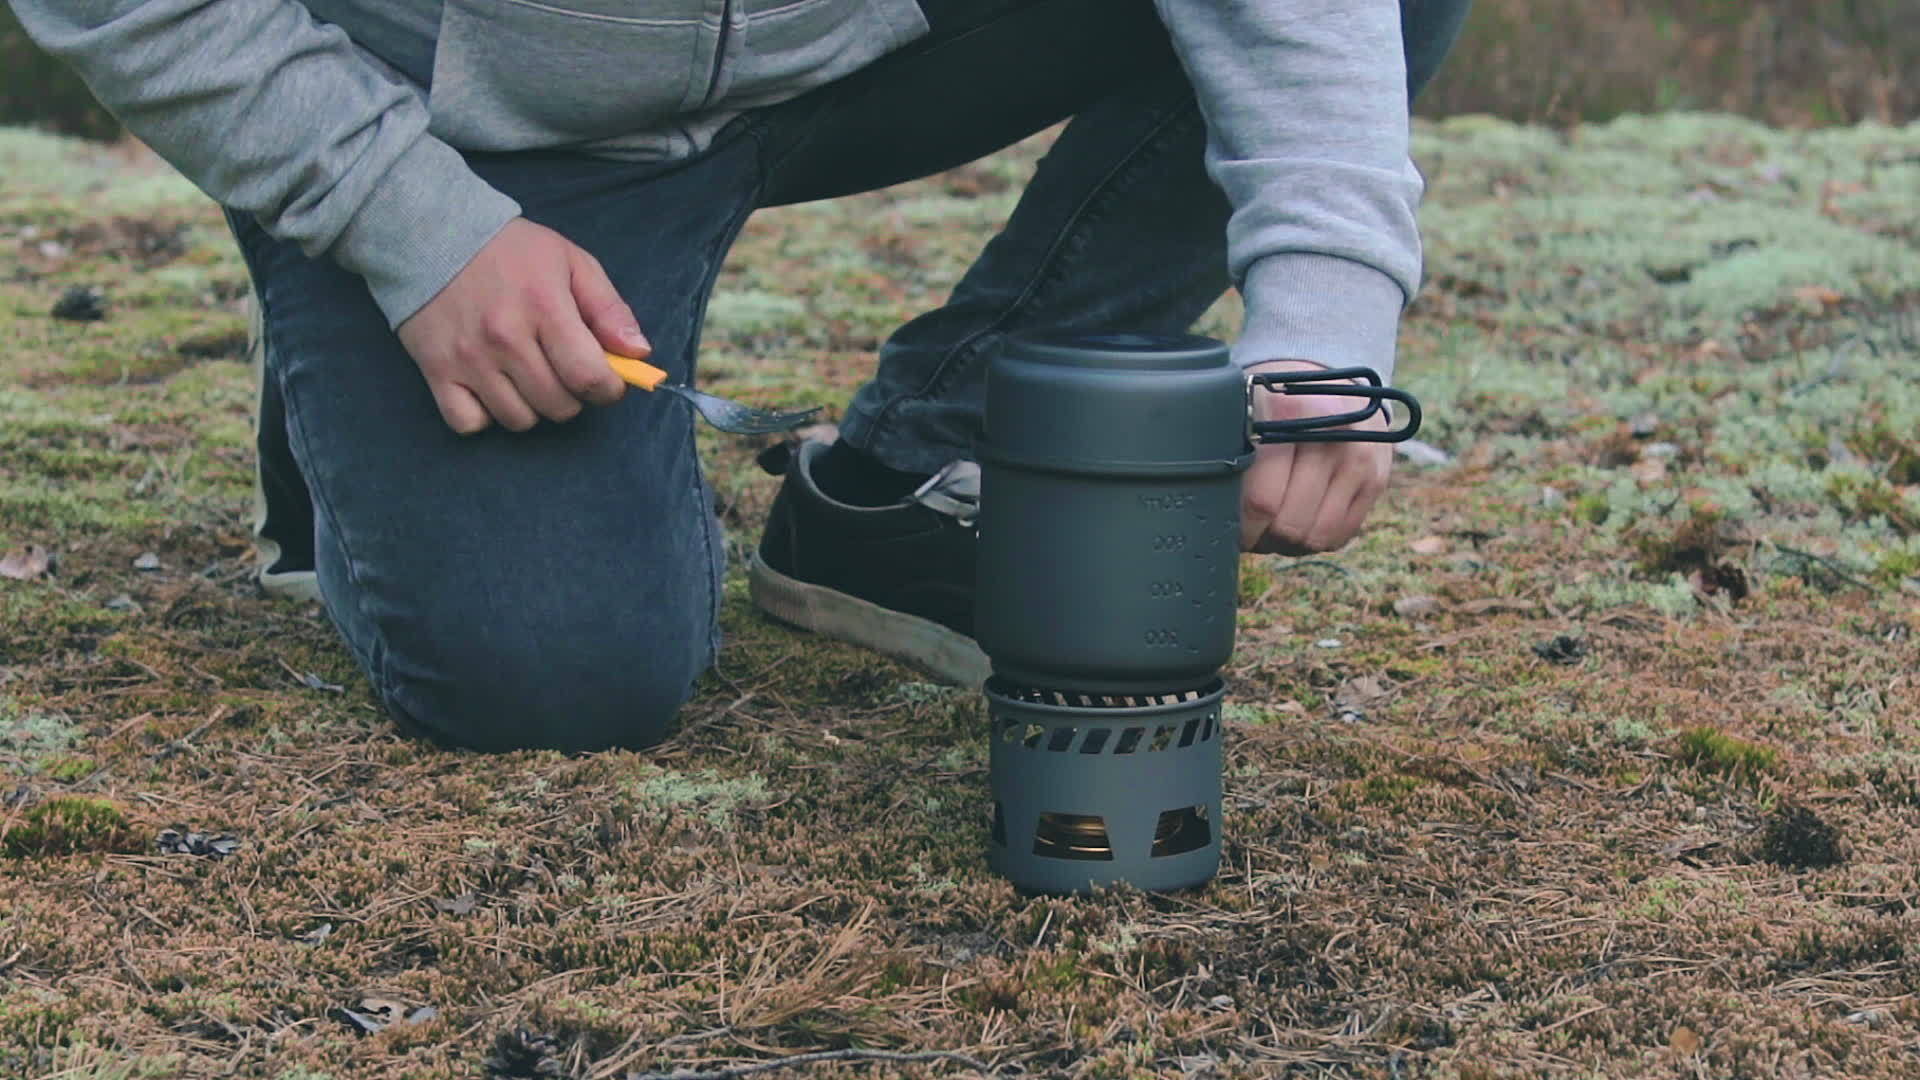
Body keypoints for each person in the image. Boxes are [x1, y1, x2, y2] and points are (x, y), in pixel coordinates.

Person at [15, 0, 1470, 752]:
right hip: (466, 129)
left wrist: (1327, 319)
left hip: (855, 51)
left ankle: (914, 478)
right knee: (556, 675)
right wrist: (406, 221)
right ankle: (350, 325)